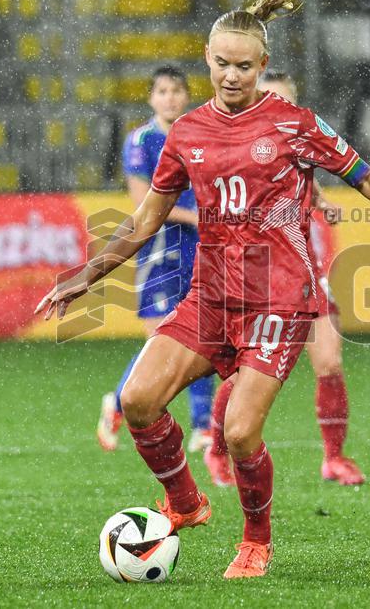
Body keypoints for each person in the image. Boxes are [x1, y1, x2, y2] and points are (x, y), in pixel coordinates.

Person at [35, 0, 370, 579]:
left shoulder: (293, 124)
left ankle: (256, 541)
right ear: (207, 61)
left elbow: (368, 177)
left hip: (278, 302)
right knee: (136, 400)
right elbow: (144, 220)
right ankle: (185, 503)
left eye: (244, 66)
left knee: (238, 435)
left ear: (262, 65)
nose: (232, 76)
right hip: (209, 296)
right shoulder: (185, 133)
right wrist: (88, 273)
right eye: (221, 64)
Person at [203, 70, 365, 487]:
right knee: (243, 373)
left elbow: (303, 180)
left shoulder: (297, 137)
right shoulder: (242, 148)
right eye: (271, 98)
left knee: (329, 359)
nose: (278, 108)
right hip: (256, 278)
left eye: (286, 100)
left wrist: (323, 202)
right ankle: (218, 449)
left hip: (302, 272)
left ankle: (334, 457)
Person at [95, 66, 215, 454]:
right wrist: (195, 216)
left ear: (186, 95)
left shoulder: (199, 135)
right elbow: (142, 202)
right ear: (151, 98)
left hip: (201, 249)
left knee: (205, 337)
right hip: (160, 252)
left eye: (176, 90)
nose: (170, 98)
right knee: (159, 340)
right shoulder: (141, 140)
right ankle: (118, 402)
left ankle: (204, 425)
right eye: (162, 91)